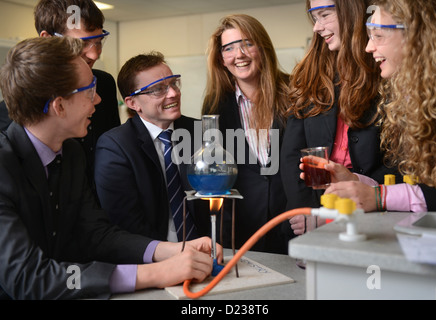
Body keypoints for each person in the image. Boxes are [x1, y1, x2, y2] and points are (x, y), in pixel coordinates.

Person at [0, 36, 221, 300]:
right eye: (90, 91)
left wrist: (169, 251)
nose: (98, 100)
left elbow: (97, 234)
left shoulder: (70, 152)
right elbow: (31, 278)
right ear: (59, 106)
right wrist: (155, 273)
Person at [280, 0, 400, 237]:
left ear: (351, 12)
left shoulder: (386, 70)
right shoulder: (311, 73)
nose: (316, 27)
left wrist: (364, 193)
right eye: (315, 18)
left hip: (373, 212)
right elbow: (292, 155)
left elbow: (398, 160)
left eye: (325, 15)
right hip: (312, 213)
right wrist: (308, 213)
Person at [324, 0, 436, 212]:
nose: (368, 47)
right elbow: (413, 184)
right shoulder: (406, 97)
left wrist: (381, 196)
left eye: (378, 36)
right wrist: (358, 181)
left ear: (416, 37)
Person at [0, 0, 121, 198]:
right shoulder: (9, 122)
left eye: (98, 42)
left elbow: (112, 151)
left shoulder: (104, 85)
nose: (94, 54)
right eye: (81, 43)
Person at [94, 52, 210, 242]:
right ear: (132, 103)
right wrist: (167, 255)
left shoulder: (202, 133)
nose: (173, 93)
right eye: (158, 89)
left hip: (208, 248)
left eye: (173, 83)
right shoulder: (115, 146)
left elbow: (222, 200)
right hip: (151, 258)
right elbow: (126, 222)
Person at [202, 14, 290, 254]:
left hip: (294, 225)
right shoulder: (215, 106)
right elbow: (216, 170)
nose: (238, 55)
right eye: (228, 48)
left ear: (263, 47)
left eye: (247, 43)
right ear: (221, 59)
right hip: (242, 230)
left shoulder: (296, 93)